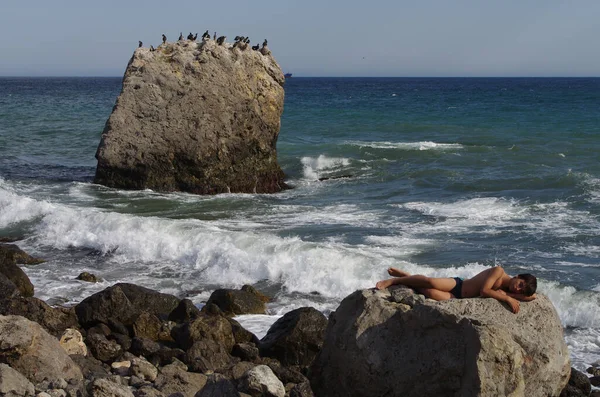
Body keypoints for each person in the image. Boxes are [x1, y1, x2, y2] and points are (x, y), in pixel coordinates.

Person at [375, 266, 537, 313]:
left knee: (428, 293)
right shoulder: (499, 272)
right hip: (458, 285)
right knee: (430, 281)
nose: (517, 289)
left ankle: (408, 276)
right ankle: (395, 280)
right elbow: (484, 291)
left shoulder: (508, 289)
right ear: (517, 276)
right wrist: (507, 298)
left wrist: (525, 296)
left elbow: (531, 297)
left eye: (520, 291)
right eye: (520, 284)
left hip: (459, 299)